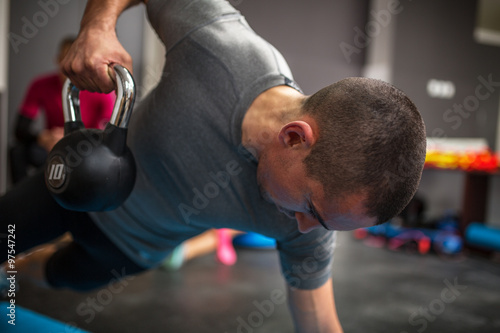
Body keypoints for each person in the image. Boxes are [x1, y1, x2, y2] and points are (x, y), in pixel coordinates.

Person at [0, 0, 427, 331]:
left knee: (50, 276)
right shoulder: (220, 49)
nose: (303, 229)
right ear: (294, 138)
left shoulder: (310, 227)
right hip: (82, 181)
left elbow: (317, 323)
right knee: (6, 232)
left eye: (325, 225)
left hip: (128, 251)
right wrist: (96, 28)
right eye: (311, 210)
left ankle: (9, 279)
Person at [9, 37, 115, 184]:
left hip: (84, 148)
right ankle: (19, 199)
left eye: (76, 61)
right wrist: (45, 137)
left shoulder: (101, 90)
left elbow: (108, 133)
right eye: (66, 59)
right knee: (17, 151)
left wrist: (68, 138)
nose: (70, 67)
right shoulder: (40, 85)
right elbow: (20, 129)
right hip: (51, 146)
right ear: (58, 60)